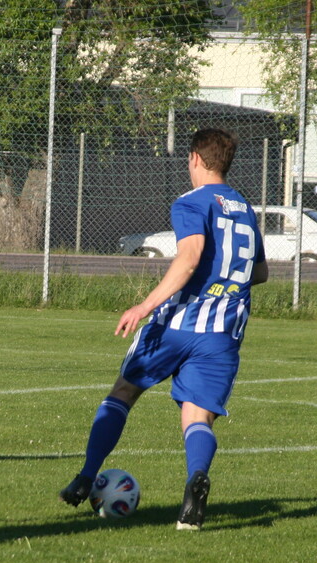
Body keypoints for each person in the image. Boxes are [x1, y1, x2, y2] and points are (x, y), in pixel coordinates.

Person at [59, 128, 267, 530]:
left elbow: (189, 257)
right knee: (197, 417)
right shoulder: (244, 208)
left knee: (124, 392)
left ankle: (86, 476)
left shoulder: (191, 202)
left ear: (195, 159)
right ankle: (196, 479)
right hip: (223, 332)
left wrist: (144, 305)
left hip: (177, 323)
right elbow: (260, 273)